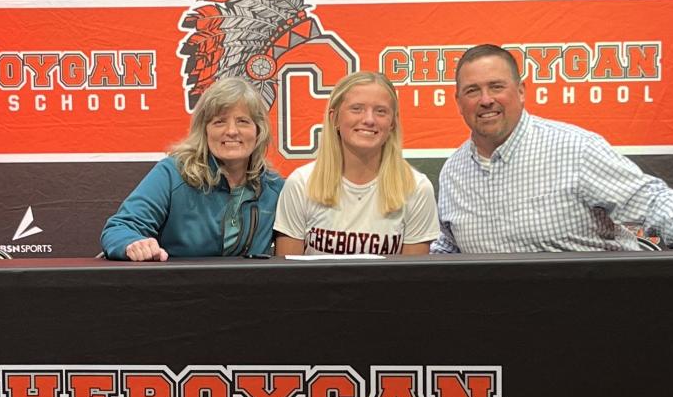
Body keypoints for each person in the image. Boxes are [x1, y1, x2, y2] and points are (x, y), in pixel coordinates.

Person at [432, 44, 673, 253]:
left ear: (522, 91)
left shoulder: (574, 149)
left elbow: (649, 199)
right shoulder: (453, 171)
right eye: (473, 90)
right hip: (501, 323)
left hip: (596, 314)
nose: (486, 99)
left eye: (496, 87)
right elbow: (448, 247)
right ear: (459, 102)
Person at [101, 77, 283, 261]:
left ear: (259, 130)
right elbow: (119, 228)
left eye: (243, 121)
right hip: (178, 286)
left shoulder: (275, 188)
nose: (232, 131)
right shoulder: (173, 173)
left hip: (250, 288)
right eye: (219, 122)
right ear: (204, 130)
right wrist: (133, 243)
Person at [274, 71, 439, 256]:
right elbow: (288, 278)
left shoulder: (416, 188)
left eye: (381, 111)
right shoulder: (301, 183)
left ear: (392, 123)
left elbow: (413, 279)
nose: (369, 119)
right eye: (357, 108)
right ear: (334, 117)